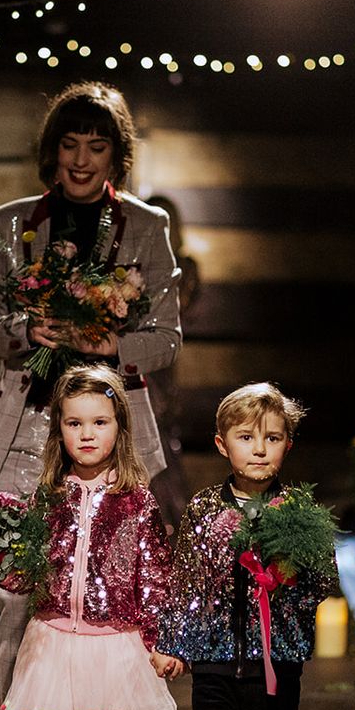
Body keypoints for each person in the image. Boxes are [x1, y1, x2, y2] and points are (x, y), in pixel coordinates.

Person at [0, 81, 181, 710]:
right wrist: (27, 328)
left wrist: (109, 341)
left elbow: (167, 338)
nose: (82, 160)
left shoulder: (147, 227)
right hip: (25, 435)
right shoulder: (10, 224)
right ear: (51, 151)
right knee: (17, 605)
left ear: (117, 155)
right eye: (70, 144)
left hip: (108, 435)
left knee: (96, 610)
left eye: (97, 146)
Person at [153, 382, 338, 710]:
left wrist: (286, 575)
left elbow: (324, 581)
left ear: (287, 445)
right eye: (246, 438)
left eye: (272, 438)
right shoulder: (204, 509)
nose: (259, 449)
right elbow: (184, 581)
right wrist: (174, 643)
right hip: (214, 659)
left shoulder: (298, 510)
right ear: (222, 444)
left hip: (275, 660)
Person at [1, 364, 179, 710]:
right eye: (74, 423)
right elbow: (31, 563)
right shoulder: (49, 494)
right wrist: (5, 561)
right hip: (54, 637)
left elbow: (153, 575)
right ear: (59, 429)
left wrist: (160, 641)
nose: (86, 434)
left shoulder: (136, 500)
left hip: (112, 643)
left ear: (119, 427)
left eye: (99, 422)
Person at [145, 194, 201, 533]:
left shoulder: (183, 269)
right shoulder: (136, 267)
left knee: (163, 442)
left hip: (162, 364)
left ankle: (170, 523)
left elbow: (177, 315)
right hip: (137, 363)